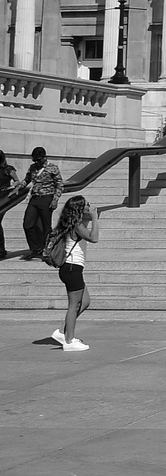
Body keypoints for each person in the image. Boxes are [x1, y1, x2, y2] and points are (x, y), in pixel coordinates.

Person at [48, 195, 99, 352]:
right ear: (79, 208)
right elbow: (93, 238)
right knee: (73, 305)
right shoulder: (76, 225)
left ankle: (63, 332)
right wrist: (95, 218)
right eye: (86, 204)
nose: (89, 206)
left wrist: (91, 216)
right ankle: (69, 341)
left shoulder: (71, 223)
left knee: (84, 302)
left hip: (71, 268)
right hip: (72, 267)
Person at [21, 146, 62, 260]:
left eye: (38, 160)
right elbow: (26, 180)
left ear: (45, 157)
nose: (36, 162)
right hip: (35, 199)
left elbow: (59, 185)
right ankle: (35, 248)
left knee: (46, 227)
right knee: (27, 224)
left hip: (46, 198)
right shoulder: (33, 168)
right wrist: (18, 187)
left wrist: (55, 200)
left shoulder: (52, 168)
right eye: (34, 160)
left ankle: (47, 250)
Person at [0, 150, 18, 258]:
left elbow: (17, 181)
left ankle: (1, 250)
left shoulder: (8, 169)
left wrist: (11, 187)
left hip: (3, 198)